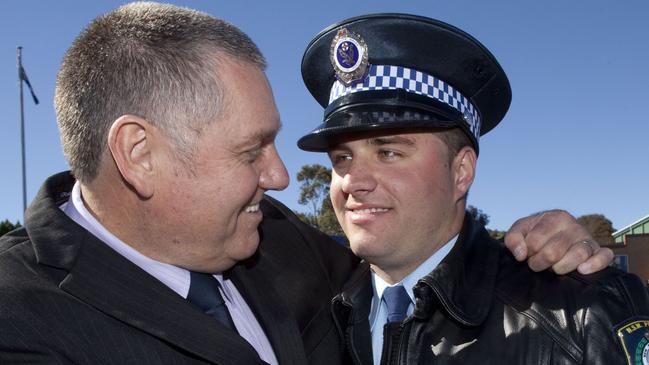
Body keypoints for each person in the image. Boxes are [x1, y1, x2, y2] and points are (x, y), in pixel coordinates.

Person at [0, 3, 613, 364]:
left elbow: (421, 264)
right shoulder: (19, 317)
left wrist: (544, 253)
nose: (282, 177)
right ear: (139, 154)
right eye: (251, 151)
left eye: (391, 150)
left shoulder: (279, 242)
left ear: (463, 170)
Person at [297, 13, 649, 365]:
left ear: (462, 171)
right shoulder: (309, 312)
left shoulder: (579, 314)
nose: (353, 181)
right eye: (342, 158)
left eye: (388, 152)